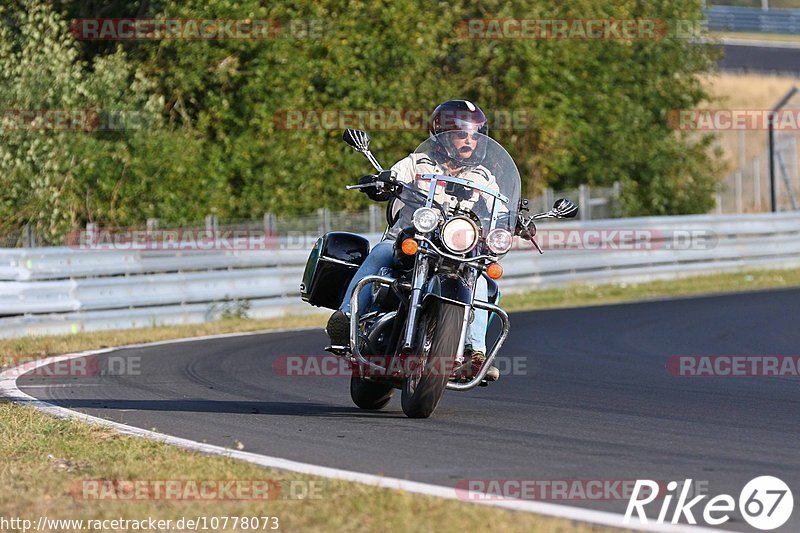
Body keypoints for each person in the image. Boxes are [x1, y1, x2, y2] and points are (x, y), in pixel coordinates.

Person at [326, 100, 500, 381]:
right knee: (381, 253)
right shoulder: (417, 163)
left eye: (474, 136)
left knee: (481, 281)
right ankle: (346, 318)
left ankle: (474, 354)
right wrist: (380, 182)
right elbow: (394, 176)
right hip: (409, 242)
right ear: (441, 135)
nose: (469, 142)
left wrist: (515, 220)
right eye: (461, 135)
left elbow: (499, 207)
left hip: (456, 253)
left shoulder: (483, 177)